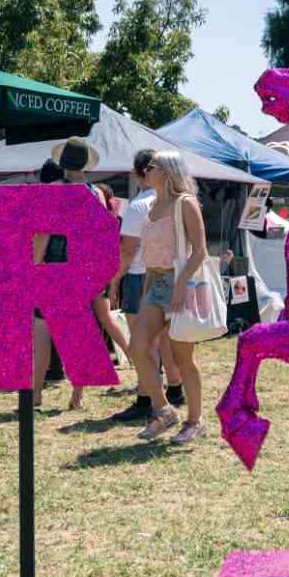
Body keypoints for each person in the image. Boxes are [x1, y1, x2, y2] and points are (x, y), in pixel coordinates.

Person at [128, 150, 211, 443]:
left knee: (182, 357)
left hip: (180, 284)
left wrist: (180, 286)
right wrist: (148, 292)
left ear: (166, 172)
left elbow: (200, 251)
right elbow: (151, 256)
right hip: (156, 283)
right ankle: (163, 410)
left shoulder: (184, 203)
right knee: (136, 346)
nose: (144, 171)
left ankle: (195, 419)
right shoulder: (152, 205)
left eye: (150, 167)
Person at [50, 137, 133, 411]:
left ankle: (74, 392)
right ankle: (78, 392)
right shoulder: (96, 193)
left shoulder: (52, 190)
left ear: (62, 163)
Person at [109, 149, 186, 423]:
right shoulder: (171, 201)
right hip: (165, 274)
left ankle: (148, 399)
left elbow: (128, 250)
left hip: (143, 275)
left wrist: (114, 278)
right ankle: (174, 388)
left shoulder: (140, 205)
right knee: (163, 339)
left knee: (143, 344)